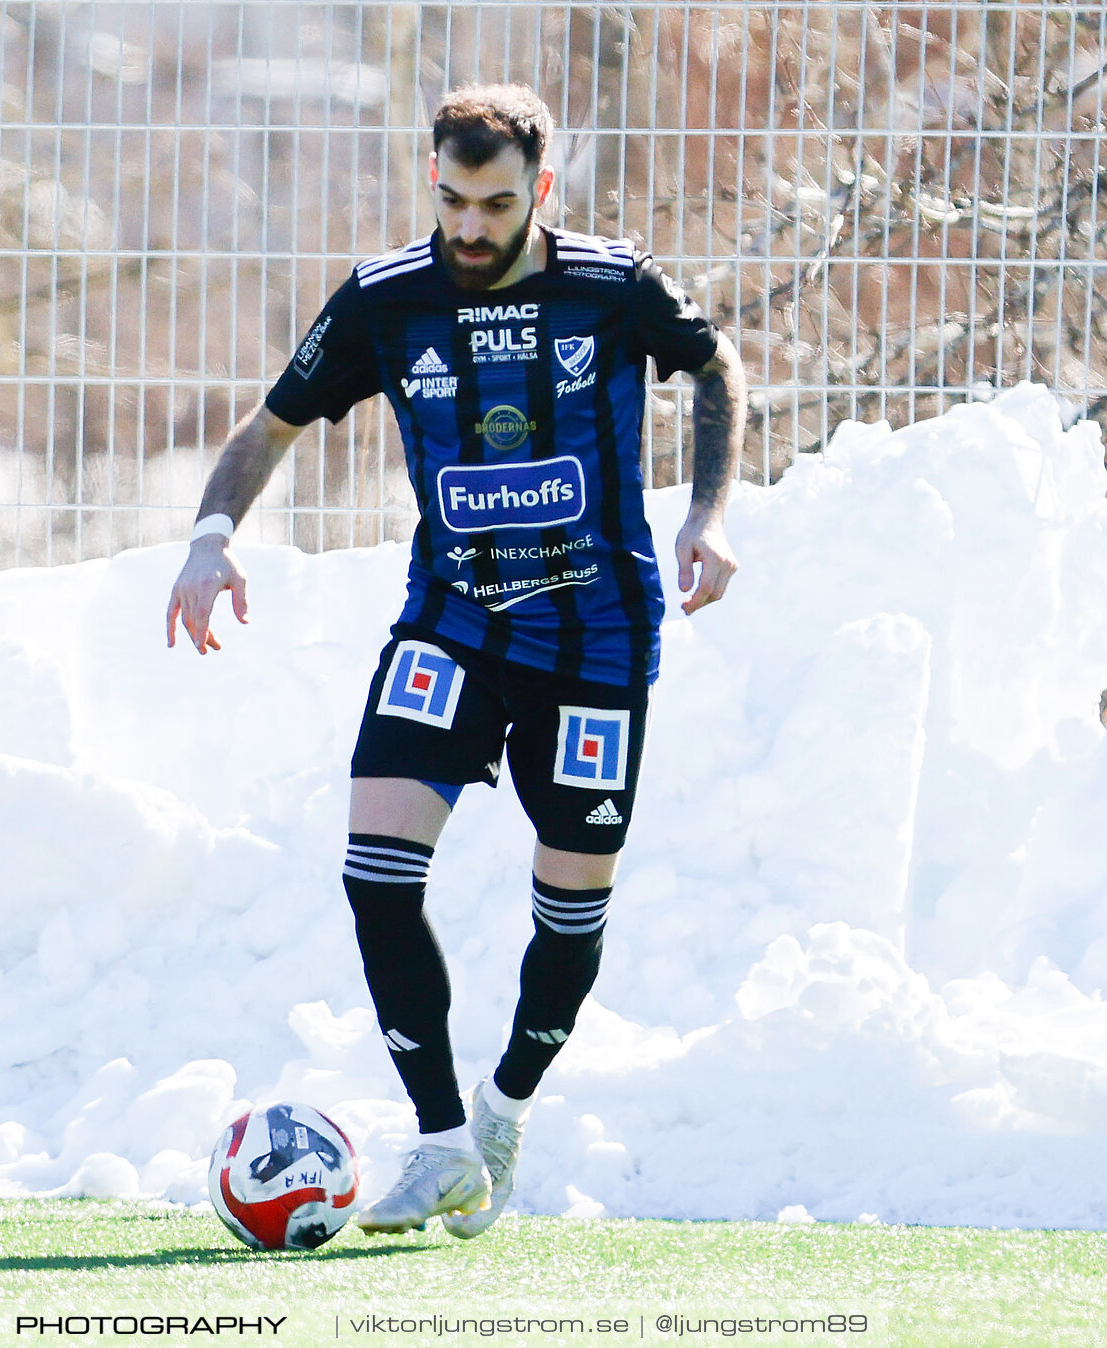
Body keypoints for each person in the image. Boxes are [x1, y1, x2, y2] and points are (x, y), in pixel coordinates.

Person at [166, 84, 744, 1237]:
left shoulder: (610, 284)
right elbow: (271, 422)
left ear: (541, 190)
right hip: (456, 624)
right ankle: (439, 1143)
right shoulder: (389, 299)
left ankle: (504, 1109)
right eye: (451, 201)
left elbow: (715, 366)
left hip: (599, 638)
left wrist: (708, 514)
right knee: (375, 867)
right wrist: (210, 536)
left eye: (493, 204)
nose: (469, 228)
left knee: (571, 910)